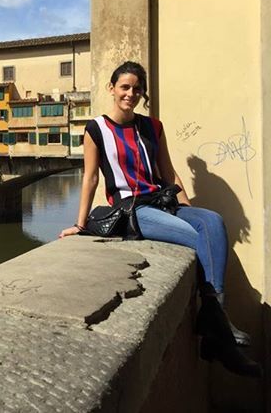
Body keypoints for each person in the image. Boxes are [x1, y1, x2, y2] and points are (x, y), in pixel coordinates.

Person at [59, 61, 260, 377]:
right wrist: (80, 224)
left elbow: (168, 173)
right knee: (199, 239)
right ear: (112, 89)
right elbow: (91, 178)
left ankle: (215, 322)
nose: (131, 93)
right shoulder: (96, 129)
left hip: (162, 202)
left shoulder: (153, 127)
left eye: (137, 89)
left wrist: (189, 210)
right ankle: (218, 332)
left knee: (212, 223)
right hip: (132, 211)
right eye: (125, 87)